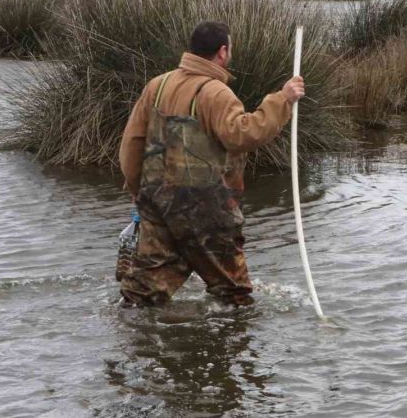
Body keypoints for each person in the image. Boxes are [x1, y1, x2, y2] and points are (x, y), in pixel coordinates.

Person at [117, 21, 305, 306]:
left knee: (140, 296)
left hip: (157, 207)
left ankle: (135, 344)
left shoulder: (158, 84)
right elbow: (242, 135)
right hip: (206, 215)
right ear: (222, 51)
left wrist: (136, 190)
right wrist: (283, 100)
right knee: (233, 295)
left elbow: (132, 144)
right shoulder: (216, 93)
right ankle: (227, 346)